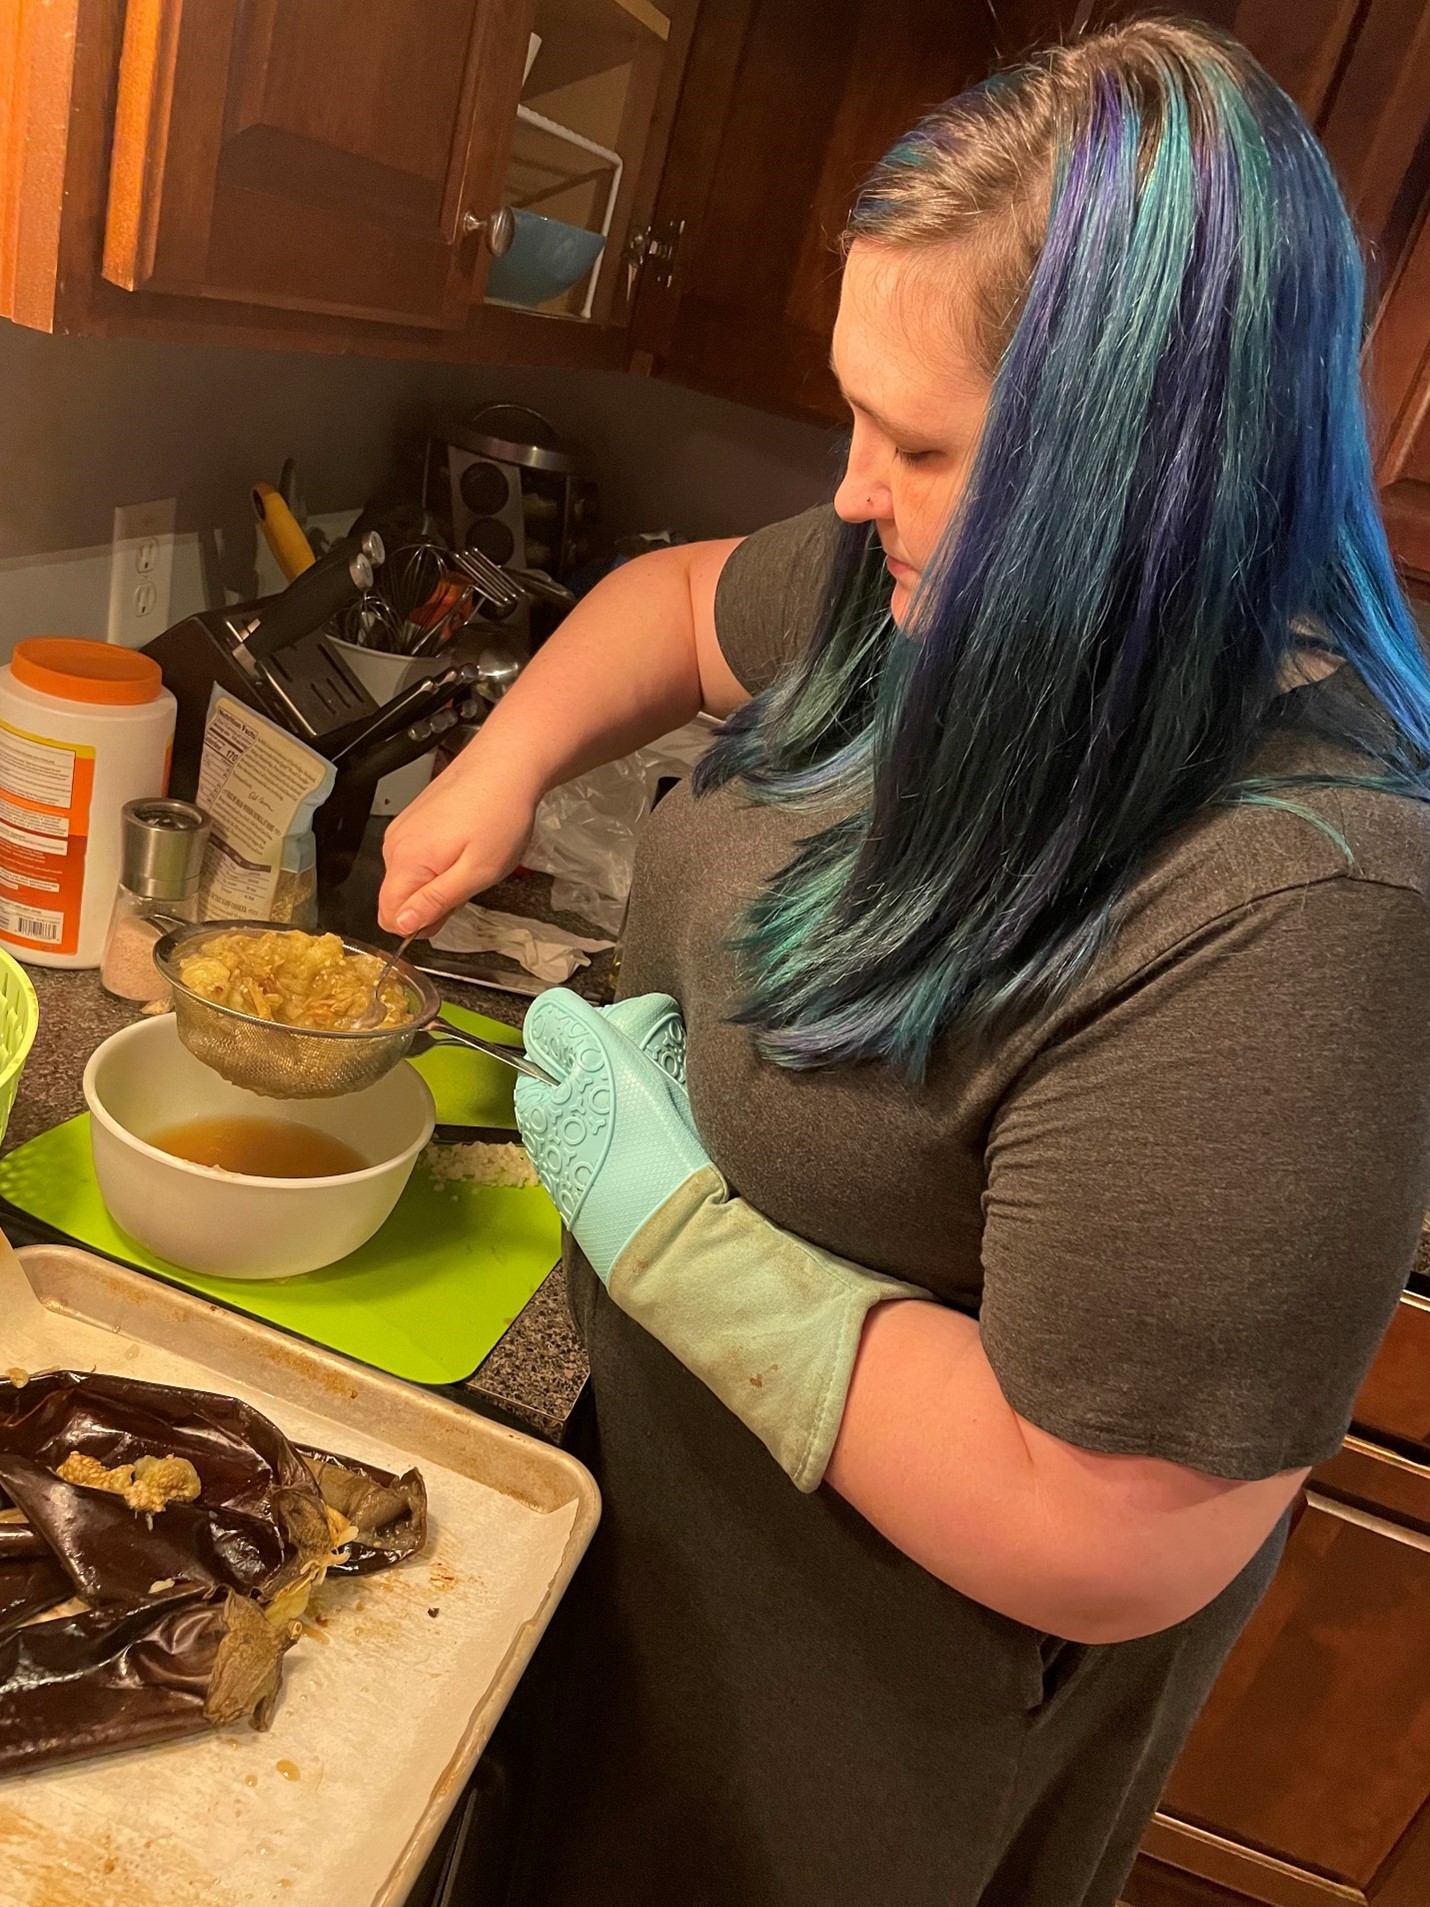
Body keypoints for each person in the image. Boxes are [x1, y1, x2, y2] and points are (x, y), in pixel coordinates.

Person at [379, 20, 1430, 1906]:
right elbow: (677, 603)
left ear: (1139, 478)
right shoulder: (927, 589)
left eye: (920, 442)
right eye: (854, 414)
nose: (851, 491)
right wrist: (503, 763)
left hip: (863, 1743)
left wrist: (678, 1230)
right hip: (663, 1551)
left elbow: (1114, 1534)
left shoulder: (1295, 916)